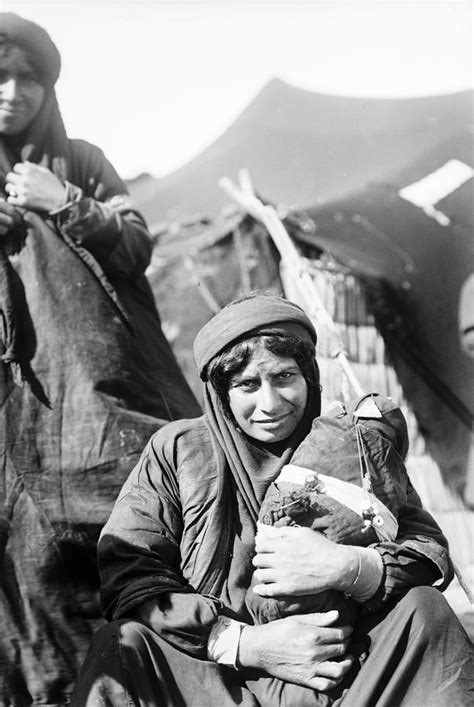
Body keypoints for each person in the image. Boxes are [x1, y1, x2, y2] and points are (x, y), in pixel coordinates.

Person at [71, 293, 473, 706]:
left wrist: (350, 568)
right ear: (220, 393)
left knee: (423, 612)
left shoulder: (348, 445)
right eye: (247, 384)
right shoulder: (178, 451)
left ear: (309, 376)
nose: (270, 403)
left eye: (284, 377)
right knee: (122, 646)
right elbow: (129, 572)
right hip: (212, 676)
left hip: (339, 669)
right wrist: (247, 644)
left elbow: (424, 546)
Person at [0, 13, 200, 704]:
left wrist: (66, 203)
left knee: (141, 516)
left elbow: (138, 242)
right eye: (0, 75)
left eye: (29, 78)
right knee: (33, 557)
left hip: (104, 384)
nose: (13, 91)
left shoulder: (80, 158)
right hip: (16, 400)